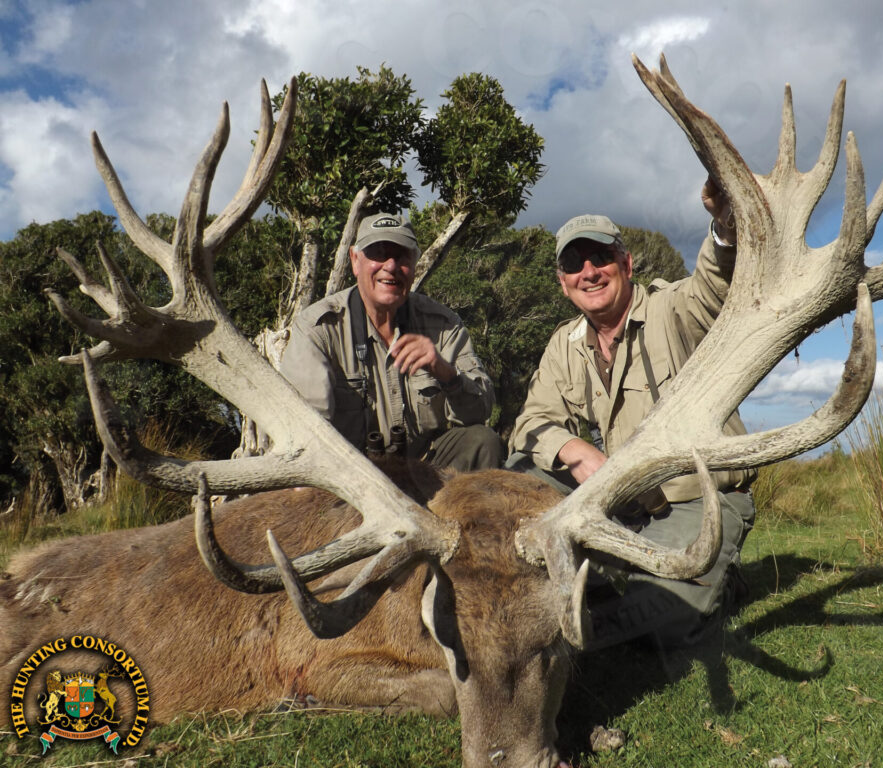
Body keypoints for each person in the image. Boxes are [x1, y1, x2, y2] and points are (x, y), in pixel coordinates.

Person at [507, 180, 757, 649]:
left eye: (600, 257)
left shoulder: (674, 308)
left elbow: (714, 285)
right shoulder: (564, 344)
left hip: (696, 499)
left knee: (655, 624)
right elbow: (529, 423)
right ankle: (602, 583)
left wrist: (726, 226)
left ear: (626, 263)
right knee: (517, 474)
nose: (589, 272)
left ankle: (720, 584)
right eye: (573, 264)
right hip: (621, 503)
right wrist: (572, 449)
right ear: (562, 283)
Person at [280, 211, 502, 471]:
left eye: (401, 256)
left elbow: (479, 413)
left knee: (483, 441)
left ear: (415, 263)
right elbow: (307, 430)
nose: (391, 266)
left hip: (427, 470)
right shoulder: (318, 328)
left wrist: (446, 372)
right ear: (354, 260)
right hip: (351, 475)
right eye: (378, 253)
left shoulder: (444, 325)